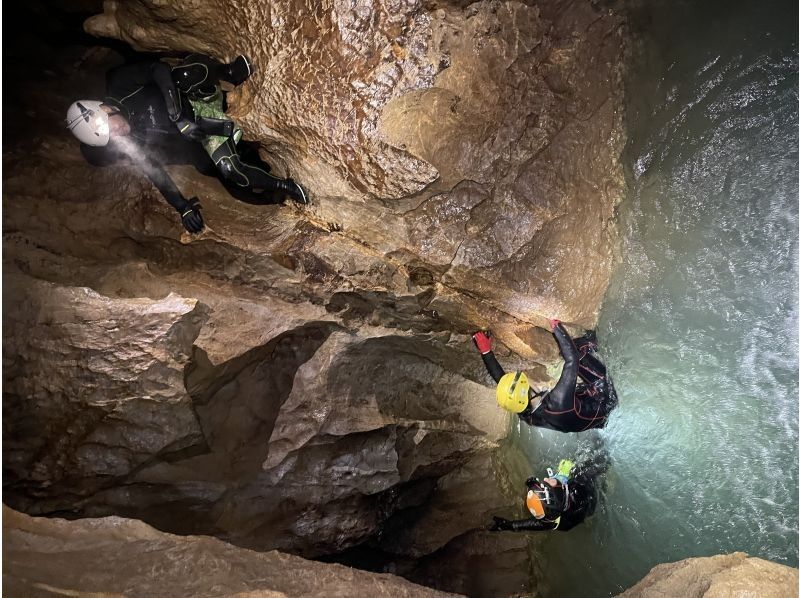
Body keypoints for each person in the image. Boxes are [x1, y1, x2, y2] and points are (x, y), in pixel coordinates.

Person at [65, 53, 307, 234]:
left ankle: (229, 73)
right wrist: (182, 207)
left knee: (184, 74)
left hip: (198, 99)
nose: (118, 135)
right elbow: (155, 173)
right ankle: (286, 187)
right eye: (111, 139)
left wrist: (177, 115)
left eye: (112, 129)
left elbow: (158, 69)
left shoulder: (120, 85)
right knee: (232, 174)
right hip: (205, 136)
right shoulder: (130, 144)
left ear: (105, 109)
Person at [471, 320, 617, 432]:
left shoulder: (524, 409)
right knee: (577, 348)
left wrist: (486, 352)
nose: (527, 378)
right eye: (526, 381)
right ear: (529, 393)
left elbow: (502, 381)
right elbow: (571, 360)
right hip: (604, 398)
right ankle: (601, 340)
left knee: (569, 359)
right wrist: (556, 327)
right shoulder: (558, 401)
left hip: (590, 419)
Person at [488, 458, 598, 532]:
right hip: (587, 496)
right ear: (561, 490)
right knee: (566, 465)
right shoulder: (579, 486)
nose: (545, 479)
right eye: (547, 484)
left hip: (570, 510)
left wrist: (507, 525)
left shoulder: (551, 519)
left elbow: (534, 523)